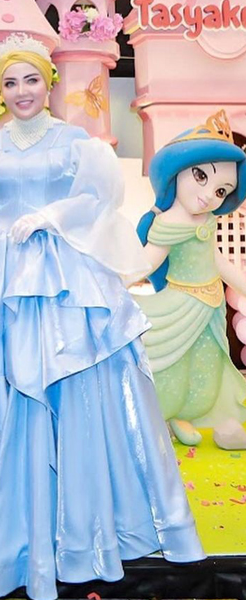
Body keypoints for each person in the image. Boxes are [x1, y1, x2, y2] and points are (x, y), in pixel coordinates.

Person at [0, 33, 204, 599]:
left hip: (66, 283)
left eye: (31, 79)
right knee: (1, 392)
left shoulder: (82, 145)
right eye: (10, 81)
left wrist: (53, 213)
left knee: (77, 393)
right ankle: (8, 522)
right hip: (5, 290)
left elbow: (98, 203)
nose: (21, 91)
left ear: (48, 84)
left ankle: (79, 527)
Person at [135, 110, 246, 450]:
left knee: (207, 365)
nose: (210, 195)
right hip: (179, 306)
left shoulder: (208, 220)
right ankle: (163, 416)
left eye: (221, 190)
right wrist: (115, 278)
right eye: (201, 176)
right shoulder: (167, 223)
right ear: (177, 171)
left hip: (209, 307)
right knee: (171, 366)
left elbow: (217, 260)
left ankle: (191, 415)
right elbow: (147, 261)